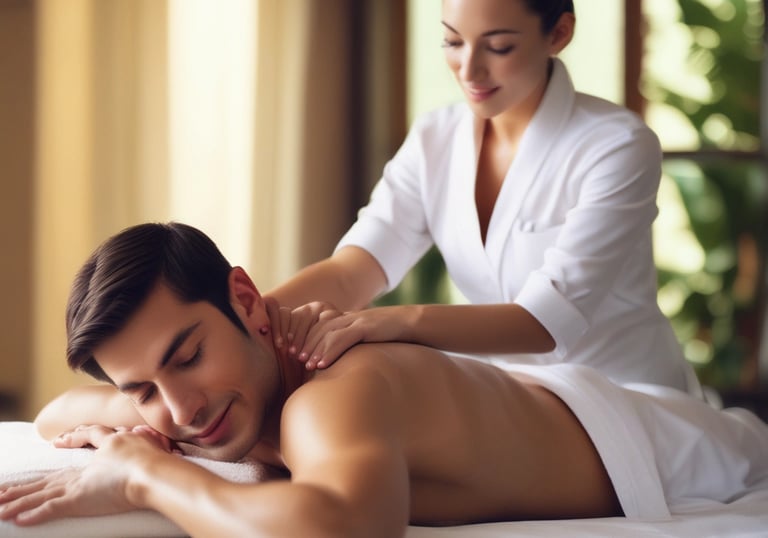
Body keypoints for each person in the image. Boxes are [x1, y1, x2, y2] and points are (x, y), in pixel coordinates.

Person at [2, 222, 767, 537]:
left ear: (245, 302)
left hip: (692, 452)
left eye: (187, 356)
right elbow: (56, 413)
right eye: (140, 388)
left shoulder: (337, 393)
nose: (178, 407)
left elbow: (336, 529)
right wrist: (130, 421)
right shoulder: (188, 397)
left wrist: (144, 477)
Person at [264, 0, 700, 394]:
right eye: (452, 41)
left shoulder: (616, 145)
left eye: (499, 47)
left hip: (623, 394)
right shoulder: (435, 138)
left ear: (559, 34)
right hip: (512, 399)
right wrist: (246, 319)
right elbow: (350, 274)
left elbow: (543, 321)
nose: (468, 70)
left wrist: (387, 322)